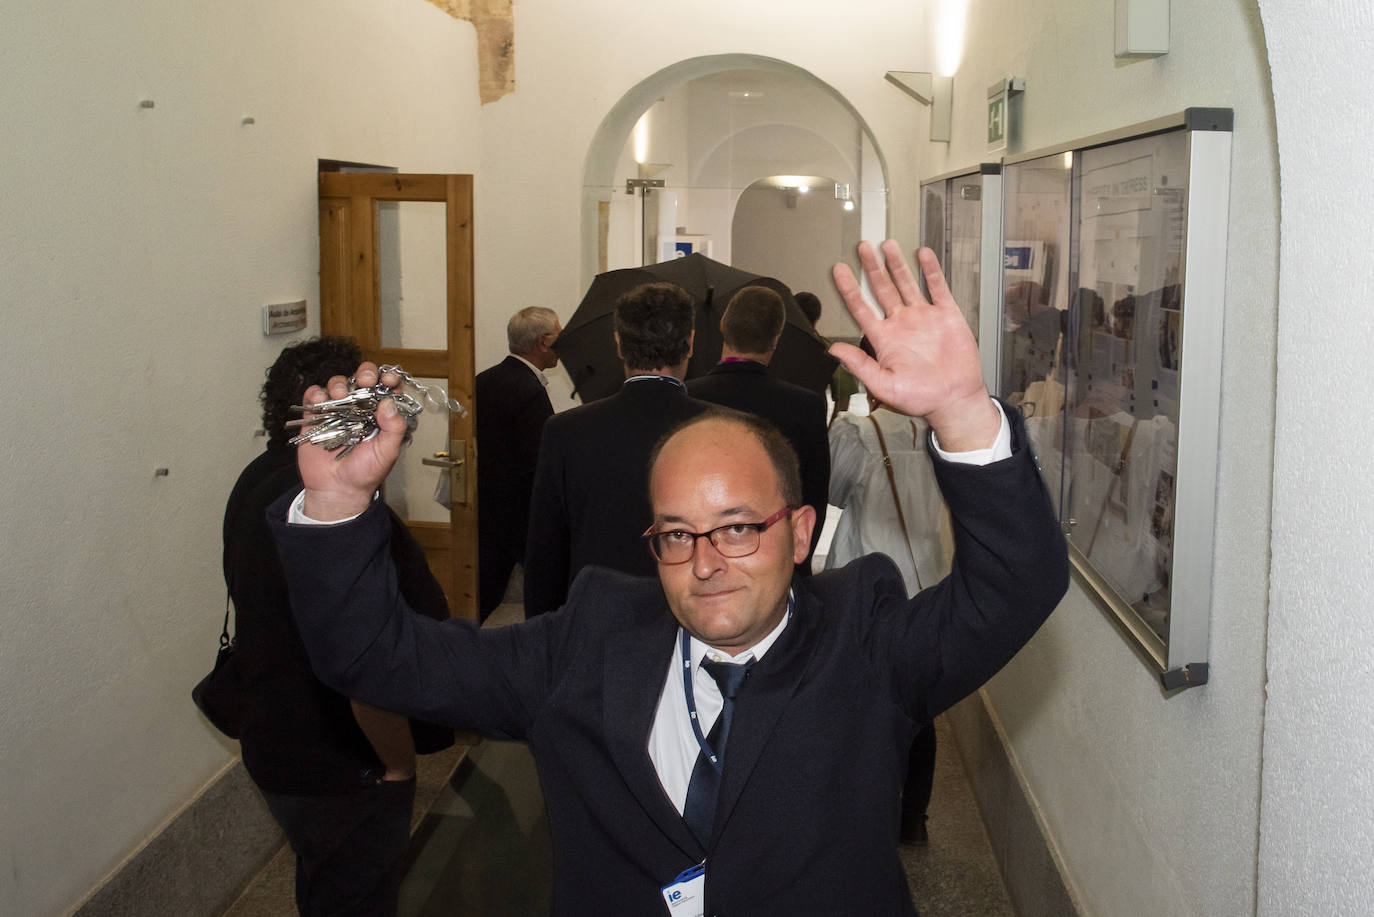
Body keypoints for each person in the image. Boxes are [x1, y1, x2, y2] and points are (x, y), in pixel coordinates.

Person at [270, 242, 1068, 916]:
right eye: (678, 534)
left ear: (799, 532)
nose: (706, 561)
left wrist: (965, 415)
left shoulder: (865, 644)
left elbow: (1018, 583)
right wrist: (336, 506)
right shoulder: (586, 642)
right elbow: (377, 657)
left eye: (739, 527)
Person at [223, 336, 453, 917]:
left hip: (270, 739)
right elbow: (370, 662)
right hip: (340, 757)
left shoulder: (254, 480)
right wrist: (397, 764)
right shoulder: (346, 521)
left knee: (323, 884)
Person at [826, 335, 951, 845]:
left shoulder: (855, 434)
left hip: (869, 583)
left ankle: (863, 812)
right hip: (927, 580)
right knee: (918, 705)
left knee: (861, 700)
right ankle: (913, 817)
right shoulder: (941, 432)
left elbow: (831, 494)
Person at [521, 281, 708, 616]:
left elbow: (545, 553)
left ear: (619, 344)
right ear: (691, 343)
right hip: (693, 611)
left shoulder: (566, 431)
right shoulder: (726, 430)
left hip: (596, 615)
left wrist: (544, 632)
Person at [687, 285, 830, 573]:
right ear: (776, 340)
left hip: (700, 555)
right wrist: (797, 563)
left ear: (723, 325)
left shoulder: (687, 398)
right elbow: (815, 495)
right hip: (775, 558)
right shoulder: (805, 405)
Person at [475, 306, 561, 620]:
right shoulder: (529, 390)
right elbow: (538, 461)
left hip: (484, 505)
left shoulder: (483, 380)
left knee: (482, 593)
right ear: (543, 342)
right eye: (559, 336)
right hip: (518, 512)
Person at [796, 289, 860, 420]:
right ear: (817, 318)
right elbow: (844, 393)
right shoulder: (828, 349)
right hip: (814, 418)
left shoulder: (775, 345)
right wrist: (832, 428)